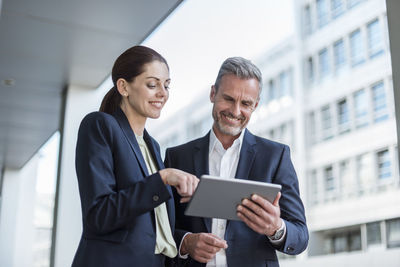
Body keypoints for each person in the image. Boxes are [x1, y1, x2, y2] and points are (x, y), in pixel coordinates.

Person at [164, 57, 308, 267]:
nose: (235, 111)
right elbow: (160, 228)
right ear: (213, 94)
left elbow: (301, 236)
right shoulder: (177, 157)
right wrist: (186, 243)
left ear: (255, 105)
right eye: (229, 99)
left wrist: (276, 227)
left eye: (246, 104)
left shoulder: (275, 156)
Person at [72, 45, 199, 267]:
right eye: (152, 84)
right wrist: (162, 179)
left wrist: (186, 241)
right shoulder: (100, 125)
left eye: (166, 85)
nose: (162, 93)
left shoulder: (152, 146)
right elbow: (98, 216)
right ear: (123, 87)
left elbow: (152, 232)